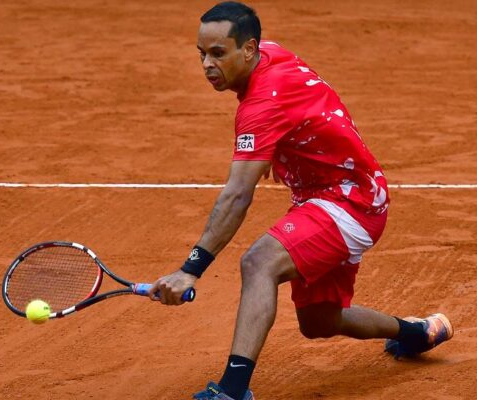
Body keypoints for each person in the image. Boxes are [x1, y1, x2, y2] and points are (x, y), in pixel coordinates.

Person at [148, 2, 453, 399]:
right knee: (318, 321)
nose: (207, 64)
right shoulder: (272, 56)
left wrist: (191, 269)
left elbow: (238, 194)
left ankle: (232, 390)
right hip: (335, 193)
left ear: (249, 49)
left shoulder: (262, 104)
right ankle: (417, 332)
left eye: (218, 53)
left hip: (350, 203)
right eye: (201, 54)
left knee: (259, 262)